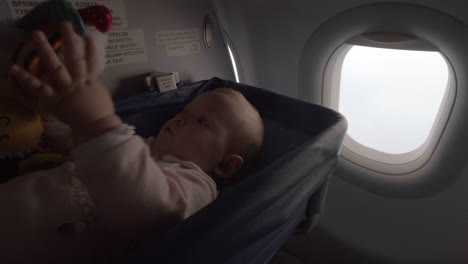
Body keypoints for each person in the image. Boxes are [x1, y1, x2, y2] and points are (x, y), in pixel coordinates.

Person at [3, 22, 264, 263]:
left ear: (226, 166)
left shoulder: (197, 185)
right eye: (185, 111)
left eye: (202, 122)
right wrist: (55, 116)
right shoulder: (141, 144)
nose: (181, 118)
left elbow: (153, 211)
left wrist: (97, 123)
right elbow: (76, 145)